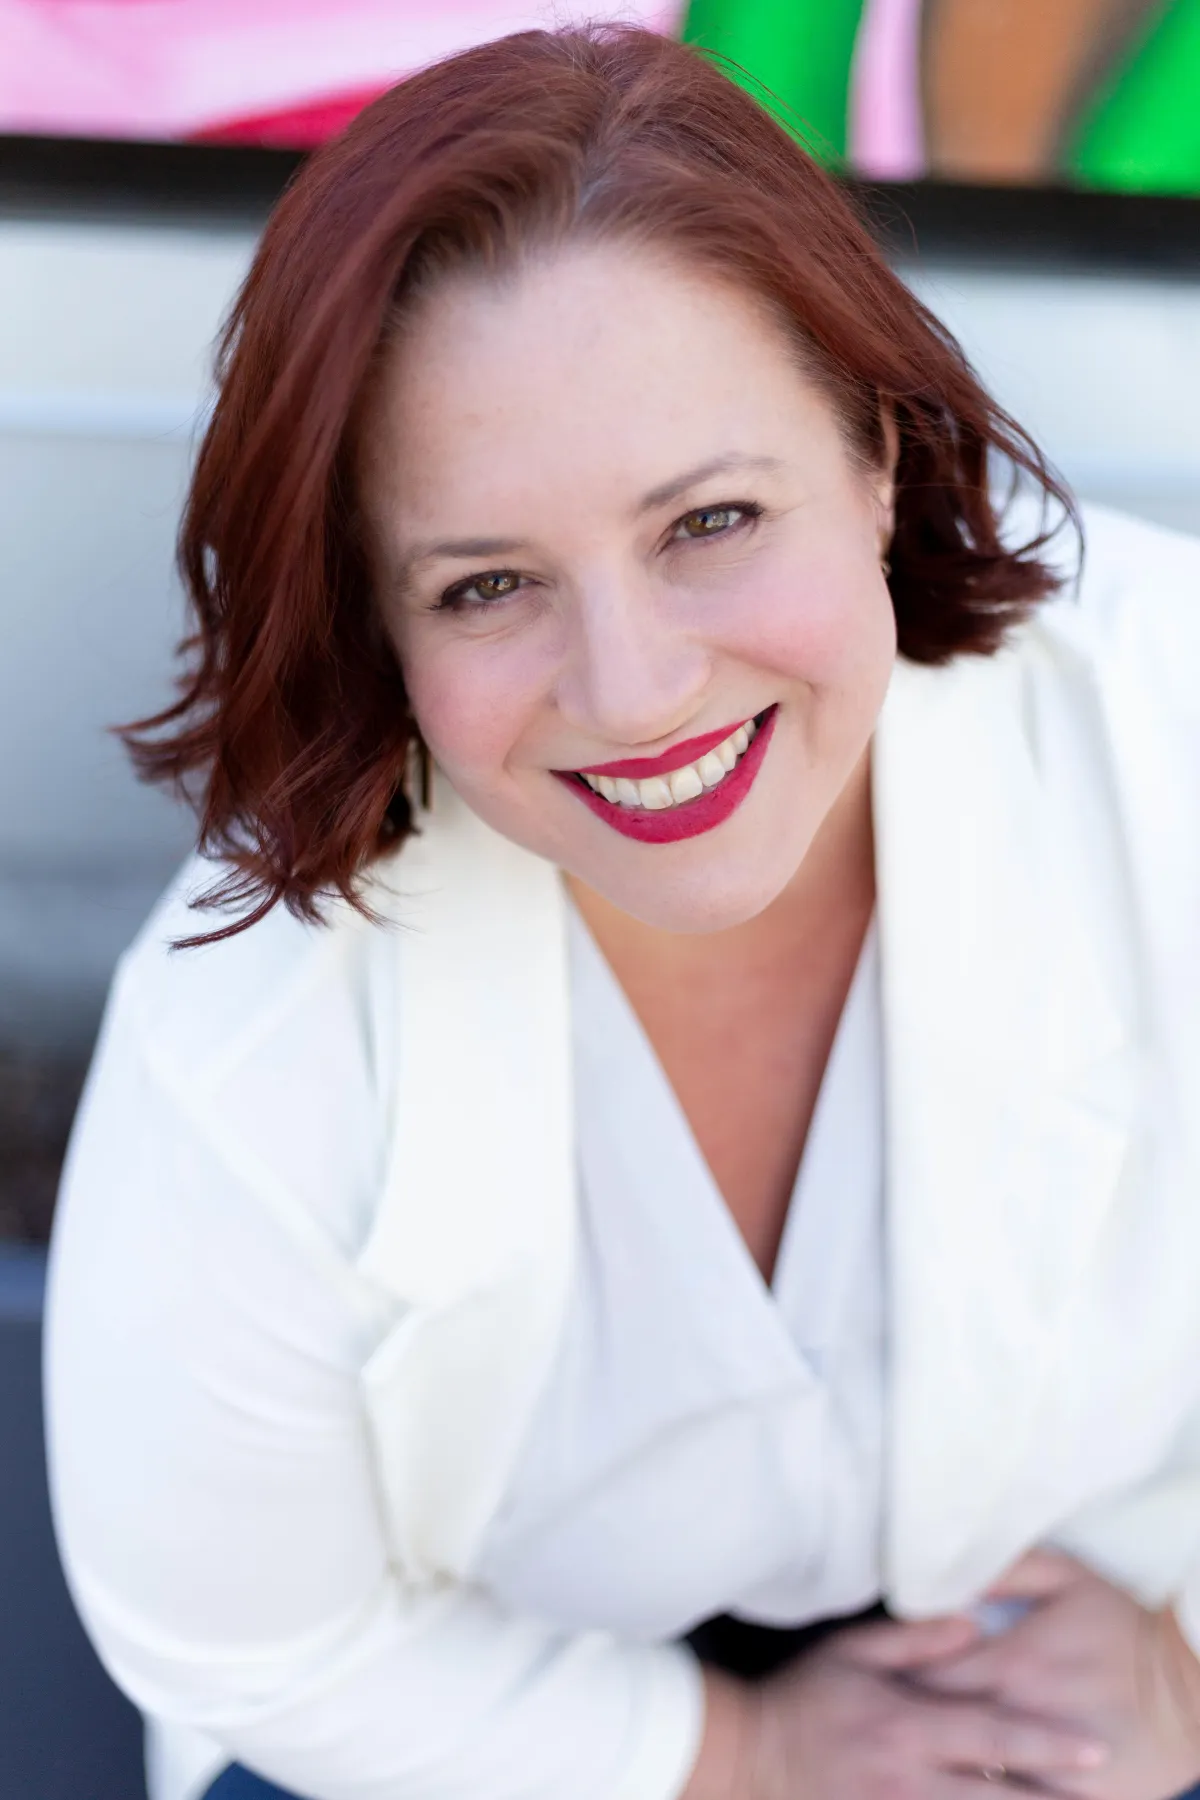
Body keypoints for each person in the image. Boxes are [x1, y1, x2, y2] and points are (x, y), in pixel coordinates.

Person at [43, 23, 1200, 1800]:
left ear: (879, 457)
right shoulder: (255, 1022)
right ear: (383, 620)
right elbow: (249, 1635)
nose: (637, 687)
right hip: (485, 1714)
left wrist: (1187, 1667)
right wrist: (732, 1756)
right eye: (489, 581)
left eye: (712, 519)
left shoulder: (1166, 728)